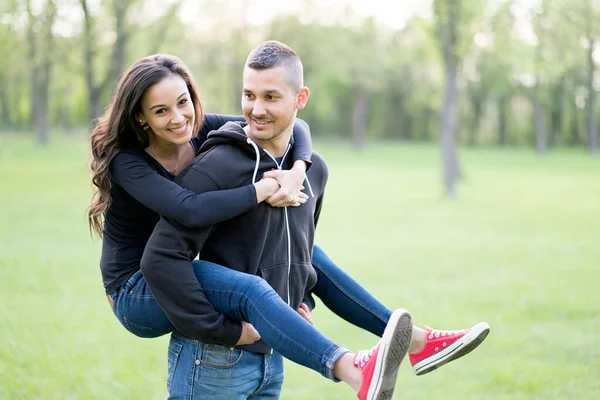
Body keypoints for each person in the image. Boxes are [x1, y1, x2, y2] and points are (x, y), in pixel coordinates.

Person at [139, 41, 490, 400]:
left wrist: (301, 299)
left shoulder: (313, 171)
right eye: (249, 95)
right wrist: (220, 329)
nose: (256, 109)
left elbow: (297, 250)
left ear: (300, 98)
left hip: (272, 358)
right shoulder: (219, 165)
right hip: (213, 359)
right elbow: (162, 257)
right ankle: (357, 365)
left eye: (271, 97)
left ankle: (415, 340)